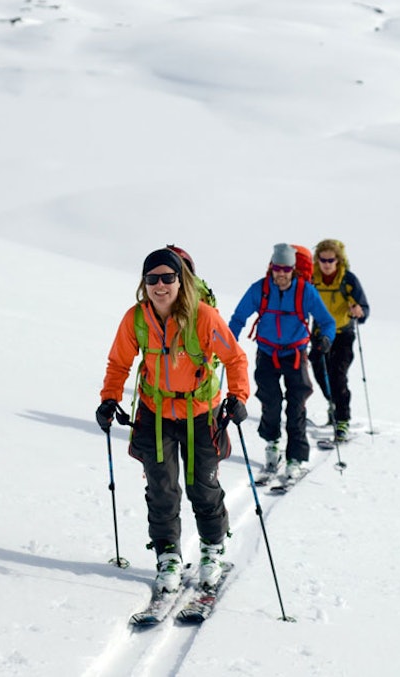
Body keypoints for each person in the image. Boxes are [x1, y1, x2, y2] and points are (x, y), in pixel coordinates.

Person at [96, 247, 250, 593]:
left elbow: (235, 359)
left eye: (168, 277)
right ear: (144, 283)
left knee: (203, 487)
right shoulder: (136, 319)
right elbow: (118, 363)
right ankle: (168, 554)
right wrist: (109, 398)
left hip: (201, 413)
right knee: (161, 488)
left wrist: (238, 396)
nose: (160, 285)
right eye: (152, 279)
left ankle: (212, 549)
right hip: (156, 413)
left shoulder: (204, 316)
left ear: (181, 281)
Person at [227, 243, 336, 481]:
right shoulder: (260, 289)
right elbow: (238, 318)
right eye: (277, 268)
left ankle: (295, 459)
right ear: (271, 267)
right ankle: (272, 444)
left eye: (286, 269)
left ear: (293, 269)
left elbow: (327, 322)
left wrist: (327, 339)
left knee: (296, 407)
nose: (281, 273)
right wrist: (228, 344)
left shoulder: (305, 292)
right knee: (270, 402)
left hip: (295, 355)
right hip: (267, 353)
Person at [308, 239, 370, 441]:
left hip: (343, 334)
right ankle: (333, 403)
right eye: (323, 259)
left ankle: (342, 420)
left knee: (338, 375)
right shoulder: (312, 279)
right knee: (320, 372)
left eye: (331, 260)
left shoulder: (348, 280)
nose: (326, 264)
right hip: (320, 334)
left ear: (338, 260)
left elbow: (364, 308)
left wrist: (358, 311)